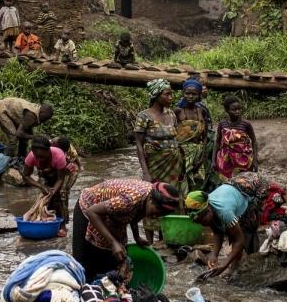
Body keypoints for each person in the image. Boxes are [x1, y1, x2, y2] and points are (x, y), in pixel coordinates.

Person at [72, 179, 180, 278]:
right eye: (157, 211)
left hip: (112, 214)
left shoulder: (148, 198)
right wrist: (113, 242)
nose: (156, 216)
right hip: (89, 206)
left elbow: (135, 214)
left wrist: (137, 237)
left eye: (161, 214)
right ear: (151, 199)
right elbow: (92, 212)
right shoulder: (129, 200)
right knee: (82, 259)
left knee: (115, 256)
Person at [186, 171, 270, 277]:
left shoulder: (223, 210)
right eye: (199, 223)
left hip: (256, 187)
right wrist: (214, 255)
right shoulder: (209, 206)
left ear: (208, 210)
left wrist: (225, 265)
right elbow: (217, 232)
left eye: (203, 220)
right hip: (238, 185)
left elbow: (239, 240)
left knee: (247, 229)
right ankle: (235, 262)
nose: (203, 224)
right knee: (231, 229)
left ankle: (252, 262)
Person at [134, 79, 184, 245]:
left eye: (171, 93)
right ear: (156, 95)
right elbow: (139, 145)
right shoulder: (144, 116)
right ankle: (149, 242)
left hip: (173, 165)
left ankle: (166, 237)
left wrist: (182, 166)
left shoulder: (171, 114)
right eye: (167, 94)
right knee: (152, 199)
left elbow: (176, 139)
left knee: (170, 198)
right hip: (155, 164)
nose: (171, 96)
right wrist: (146, 172)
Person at [22, 135, 80, 236]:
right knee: (46, 197)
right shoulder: (31, 157)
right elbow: (25, 176)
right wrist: (41, 187)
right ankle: (49, 221)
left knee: (61, 195)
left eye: (42, 157)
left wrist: (53, 192)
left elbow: (60, 179)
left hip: (67, 171)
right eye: (37, 157)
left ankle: (62, 225)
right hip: (49, 172)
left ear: (49, 150)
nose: (39, 159)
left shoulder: (59, 156)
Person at [174, 78, 214, 194]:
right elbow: (171, 135)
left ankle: (194, 206)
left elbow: (205, 135)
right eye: (187, 93)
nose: (190, 96)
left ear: (199, 95)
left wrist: (202, 157)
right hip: (180, 154)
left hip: (198, 153)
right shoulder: (177, 111)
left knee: (197, 183)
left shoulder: (202, 111)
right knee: (181, 182)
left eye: (194, 94)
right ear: (183, 94)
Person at [0, 98, 54, 162]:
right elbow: (19, 134)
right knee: (13, 137)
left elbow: (26, 131)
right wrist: (34, 136)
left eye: (47, 119)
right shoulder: (31, 116)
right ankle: (6, 161)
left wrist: (34, 137)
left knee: (24, 139)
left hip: (11, 110)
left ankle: (21, 159)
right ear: (41, 112)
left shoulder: (37, 114)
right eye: (45, 118)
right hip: (2, 108)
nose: (45, 121)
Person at [212, 95, 256, 183]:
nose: (238, 112)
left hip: (243, 161)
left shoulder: (246, 124)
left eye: (239, 109)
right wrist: (213, 160)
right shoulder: (222, 124)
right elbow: (217, 142)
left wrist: (255, 161)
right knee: (226, 183)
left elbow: (254, 142)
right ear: (227, 110)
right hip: (226, 161)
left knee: (243, 183)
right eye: (234, 109)